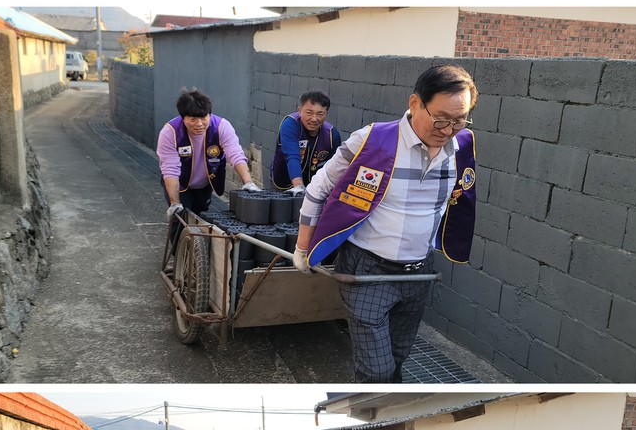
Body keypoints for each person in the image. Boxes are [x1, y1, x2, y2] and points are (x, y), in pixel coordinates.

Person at [292, 64, 478, 383]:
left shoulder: (461, 148)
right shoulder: (372, 140)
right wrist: (302, 246)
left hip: (418, 273)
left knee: (397, 358)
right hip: (367, 272)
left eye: (459, 120)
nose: (448, 129)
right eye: (441, 118)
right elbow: (318, 189)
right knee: (376, 370)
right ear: (415, 103)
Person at [157, 89, 260, 228]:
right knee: (181, 220)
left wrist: (248, 182)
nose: (199, 124)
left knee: (201, 218)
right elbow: (170, 169)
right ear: (183, 118)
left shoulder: (221, 126)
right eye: (193, 119)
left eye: (204, 118)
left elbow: (235, 154)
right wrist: (174, 203)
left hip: (205, 183)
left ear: (209, 114)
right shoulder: (170, 132)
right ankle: (176, 242)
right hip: (179, 183)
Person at [270, 91, 342, 195]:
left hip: (315, 187)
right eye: (309, 113)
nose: (314, 119)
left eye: (320, 114)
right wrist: (299, 187)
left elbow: (334, 166)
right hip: (284, 181)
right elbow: (292, 155)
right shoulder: (290, 124)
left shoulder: (332, 134)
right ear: (299, 110)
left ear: (326, 113)